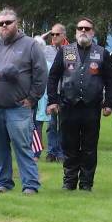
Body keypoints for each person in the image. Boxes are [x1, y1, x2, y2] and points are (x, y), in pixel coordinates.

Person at [0, 8, 47, 194]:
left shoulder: (30, 45)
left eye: (8, 22)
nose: (4, 26)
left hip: (18, 107)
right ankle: (3, 182)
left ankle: (30, 185)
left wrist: (32, 98)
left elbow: (41, 74)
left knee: (22, 145)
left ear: (16, 23)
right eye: (0, 23)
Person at [46, 18, 112, 191]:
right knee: (69, 145)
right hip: (69, 105)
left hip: (91, 106)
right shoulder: (64, 51)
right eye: (80, 28)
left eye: (87, 28)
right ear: (75, 31)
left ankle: (86, 183)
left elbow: (111, 81)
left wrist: (108, 103)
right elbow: (53, 77)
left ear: (93, 32)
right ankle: (69, 182)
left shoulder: (101, 52)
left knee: (89, 147)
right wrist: (53, 100)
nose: (83, 31)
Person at [42, 23, 68, 161]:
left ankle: (62, 152)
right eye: (52, 34)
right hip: (51, 93)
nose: (54, 37)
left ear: (64, 35)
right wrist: (44, 35)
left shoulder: (69, 50)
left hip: (64, 93)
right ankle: (52, 152)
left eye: (57, 34)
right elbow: (35, 44)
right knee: (51, 124)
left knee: (63, 124)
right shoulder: (46, 50)